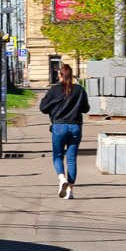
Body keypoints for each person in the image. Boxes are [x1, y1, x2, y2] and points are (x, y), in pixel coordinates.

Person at [39, 62, 90, 199]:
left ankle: (62, 179)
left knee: (57, 156)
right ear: (71, 75)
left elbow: (43, 108)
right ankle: (70, 191)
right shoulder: (79, 90)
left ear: (60, 75)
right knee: (72, 159)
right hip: (75, 126)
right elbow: (86, 109)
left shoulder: (54, 90)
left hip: (59, 126)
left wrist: (54, 104)